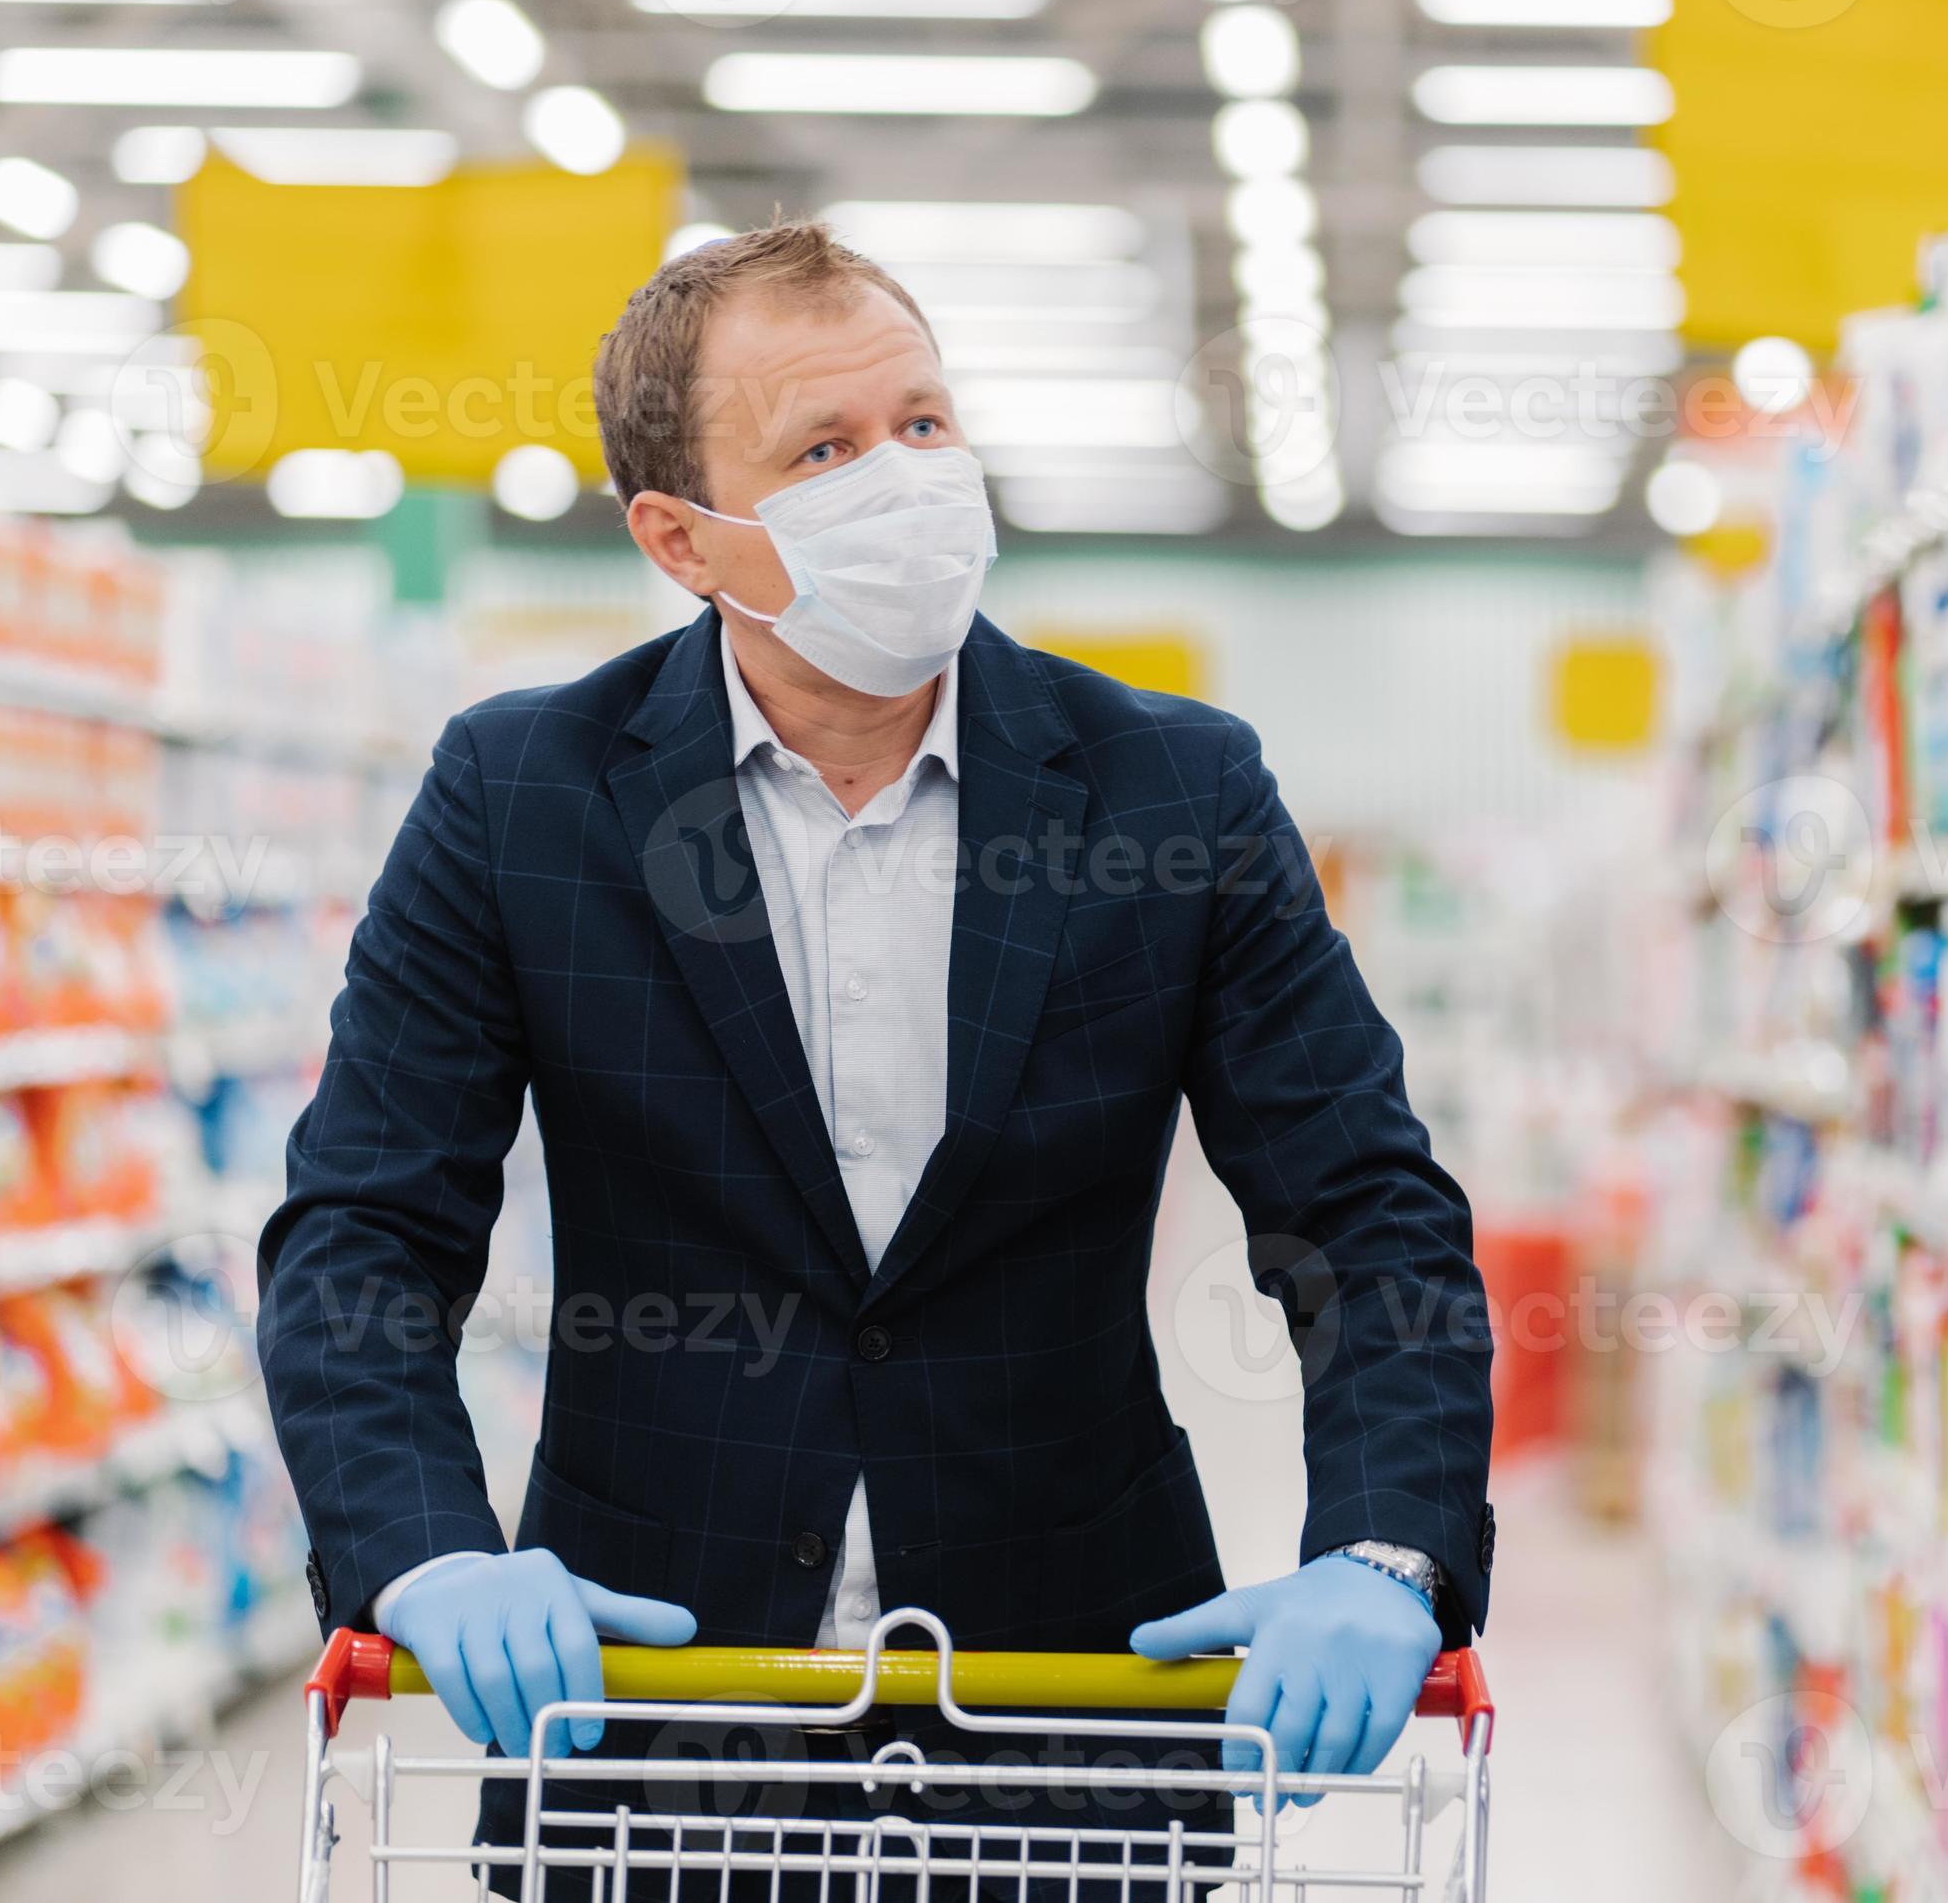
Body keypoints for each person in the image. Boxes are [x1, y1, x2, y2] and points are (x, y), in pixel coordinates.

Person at [257, 221, 1496, 1898]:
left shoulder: (1173, 792)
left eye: (921, 423)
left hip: (1074, 1707)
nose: (905, 481)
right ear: (684, 539)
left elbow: (1364, 1213)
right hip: (653, 1713)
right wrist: (424, 1553)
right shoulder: (521, 796)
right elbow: (360, 1234)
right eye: (824, 452)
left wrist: (1383, 1545)